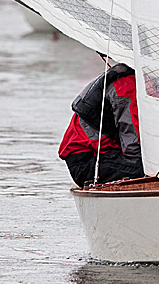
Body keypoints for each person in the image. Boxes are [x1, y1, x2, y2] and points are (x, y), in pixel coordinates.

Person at [58, 54, 143, 186]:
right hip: (87, 161)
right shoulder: (126, 85)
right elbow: (132, 146)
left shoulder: (130, 78)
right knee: (144, 168)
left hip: (105, 153)